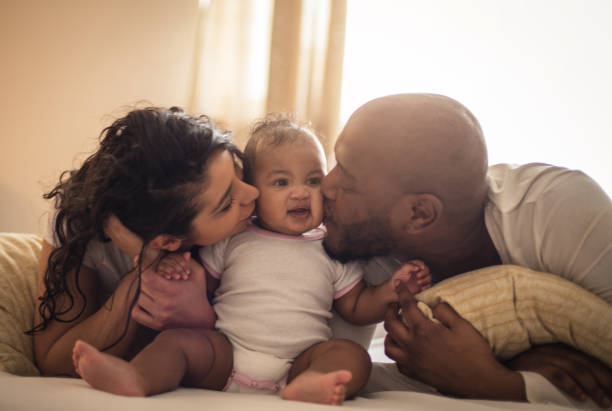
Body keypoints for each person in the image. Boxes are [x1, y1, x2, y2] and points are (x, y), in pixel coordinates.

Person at [72, 115, 431, 405]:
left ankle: (311, 386)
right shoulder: (235, 239)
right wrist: (173, 270)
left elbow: (355, 306)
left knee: (353, 356)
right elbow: (203, 285)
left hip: (298, 362)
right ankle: (137, 377)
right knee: (176, 344)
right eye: (280, 182)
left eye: (313, 179)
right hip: (226, 352)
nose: (300, 191)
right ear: (255, 191)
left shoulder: (330, 247)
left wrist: (389, 290)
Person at [320, 93, 612, 407]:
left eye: (348, 182)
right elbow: (312, 365)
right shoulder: (357, 242)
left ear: (419, 214)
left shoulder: (558, 214)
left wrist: (486, 380)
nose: (325, 186)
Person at [32, 106, 259, 393]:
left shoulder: (257, 210)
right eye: (227, 204)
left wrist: (200, 315)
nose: (254, 193)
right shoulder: (77, 222)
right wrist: (143, 271)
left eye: (237, 169)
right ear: (167, 240)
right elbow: (52, 360)